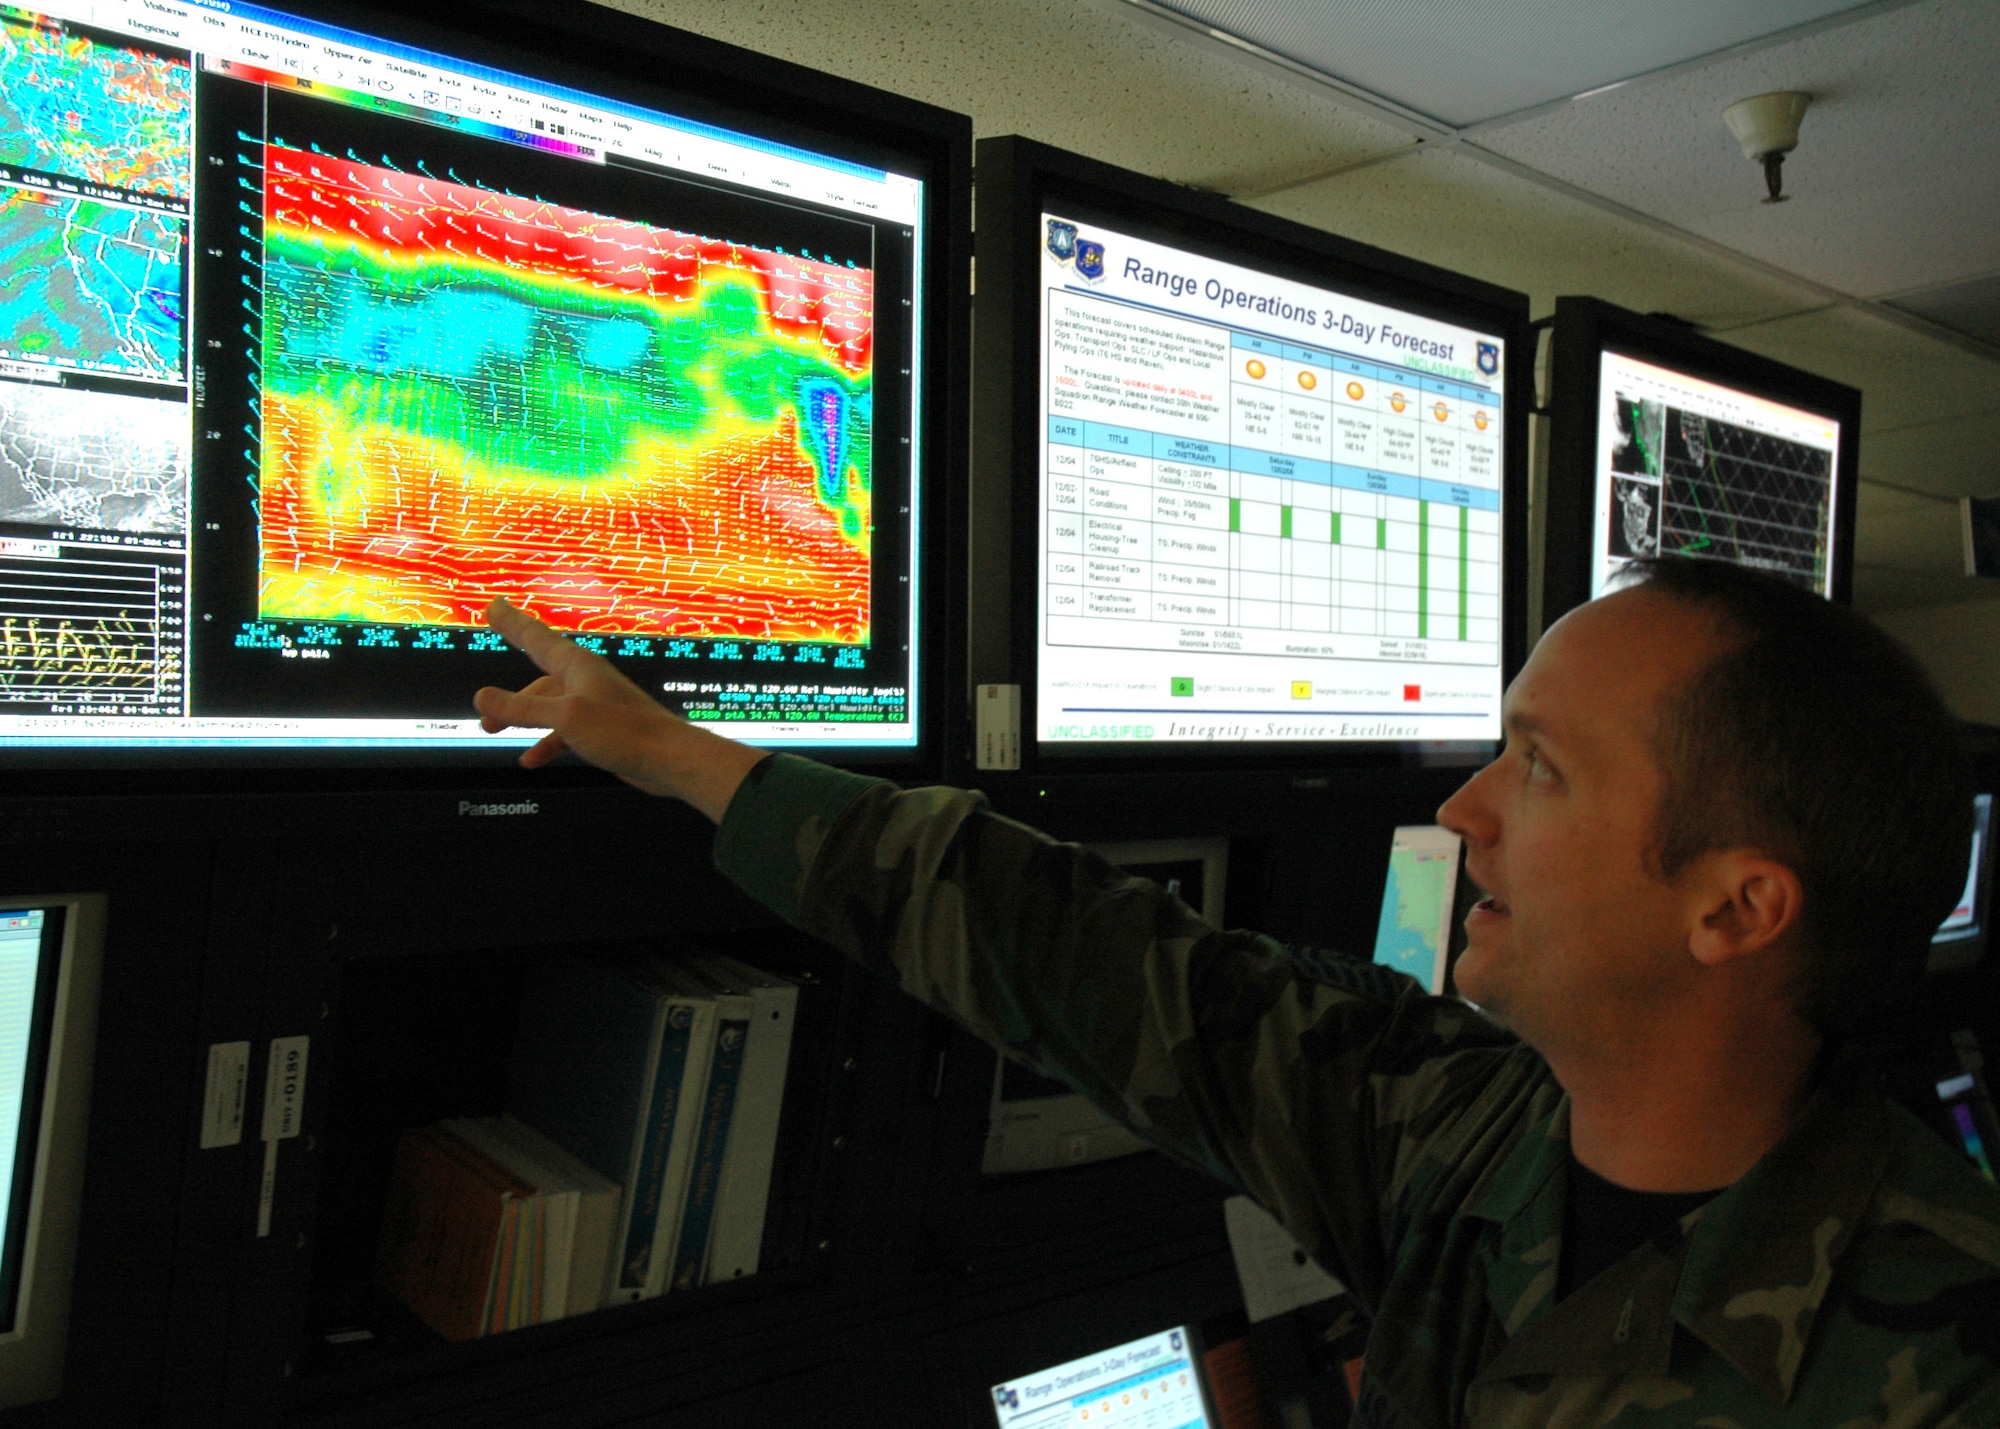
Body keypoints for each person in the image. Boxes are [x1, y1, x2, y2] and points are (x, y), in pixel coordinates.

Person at [474, 557, 2000, 1427]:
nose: (1466, 810)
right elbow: (1080, 951)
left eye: (1538, 766)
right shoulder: (1451, 1126)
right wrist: (675, 755)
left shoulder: (1942, 1360)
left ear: (1735, 907)